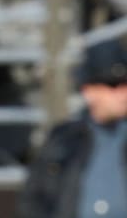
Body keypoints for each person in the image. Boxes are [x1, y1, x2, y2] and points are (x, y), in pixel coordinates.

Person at [16, 35, 127, 218]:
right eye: (112, 85)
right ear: (89, 90)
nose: (123, 93)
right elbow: (34, 199)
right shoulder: (64, 139)